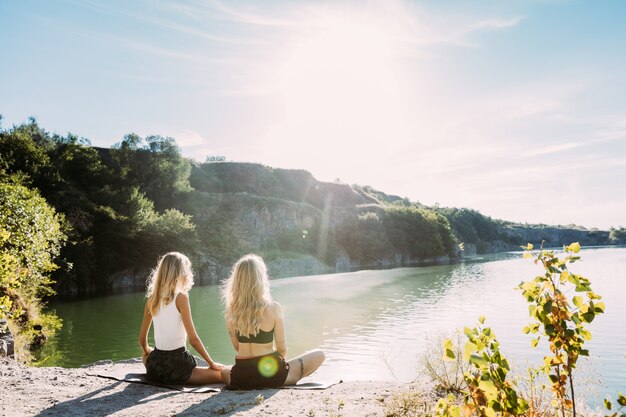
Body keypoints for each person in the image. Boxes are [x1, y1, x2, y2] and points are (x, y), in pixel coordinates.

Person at [221, 254, 325, 388]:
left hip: (241, 378)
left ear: (236, 281)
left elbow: (238, 348)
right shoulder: (273, 308)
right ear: (260, 279)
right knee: (319, 355)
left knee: (224, 370)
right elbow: (282, 349)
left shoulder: (231, 313)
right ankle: (280, 378)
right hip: (271, 375)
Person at [139, 252, 225, 384]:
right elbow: (194, 340)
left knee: (145, 355)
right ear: (180, 273)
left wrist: (148, 352)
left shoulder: (152, 299)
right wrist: (211, 363)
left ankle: (156, 365)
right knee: (221, 373)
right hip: (178, 366)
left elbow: (142, 340)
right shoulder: (181, 298)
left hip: (155, 368)